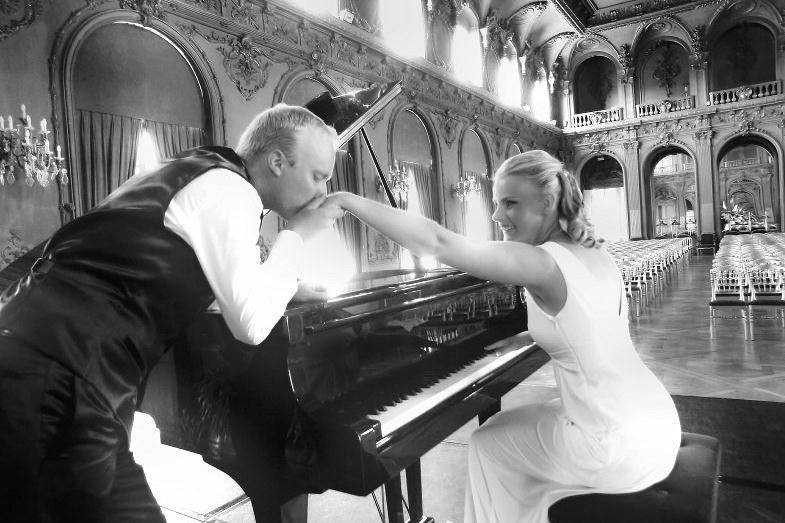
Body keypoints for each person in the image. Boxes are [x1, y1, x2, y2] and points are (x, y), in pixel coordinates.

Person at [0, 103, 344, 522]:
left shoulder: (203, 173)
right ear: (276, 162)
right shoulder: (230, 191)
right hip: (56, 375)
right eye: (317, 176)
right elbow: (250, 324)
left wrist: (290, 284)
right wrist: (296, 237)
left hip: (66, 371)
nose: (323, 193)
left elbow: (205, 286)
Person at [327, 150, 681, 523]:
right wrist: (532, 335)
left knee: (487, 445)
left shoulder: (542, 262)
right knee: (500, 438)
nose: (497, 216)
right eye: (496, 203)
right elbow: (591, 321)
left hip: (611, 442)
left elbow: (438, 244)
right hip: (652, 421)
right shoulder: (593, 250)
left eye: (510, 203)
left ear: (547, 202)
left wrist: (348, 200)